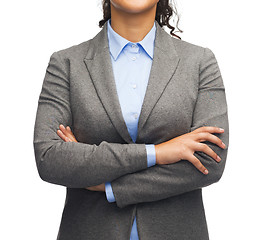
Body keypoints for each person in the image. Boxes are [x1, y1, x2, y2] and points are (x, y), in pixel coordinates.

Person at [33, 0, 229, 239]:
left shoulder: (199, 62)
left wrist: (108, 186)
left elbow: (210, 162)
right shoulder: (66, 64)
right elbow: (49, 158)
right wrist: (157, 153)